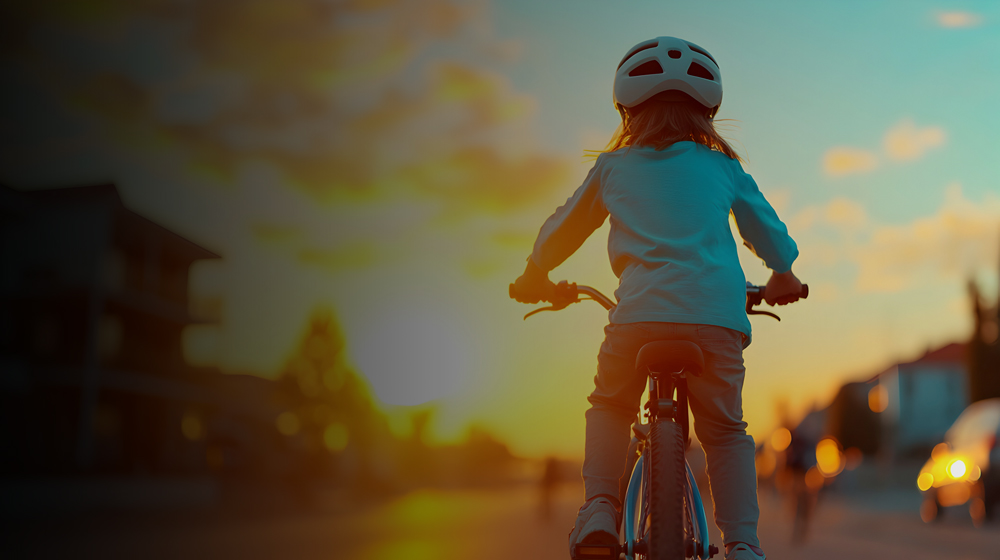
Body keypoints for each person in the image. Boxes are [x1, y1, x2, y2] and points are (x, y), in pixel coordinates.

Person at [509, 36, 803, 560]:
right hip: (717, 321)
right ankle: (743, 545)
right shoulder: (722, 168)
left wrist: (536, 272)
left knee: (610, 403)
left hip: (637, 321)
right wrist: (781, 274)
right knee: (726, 432)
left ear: (627, 108)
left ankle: (600, 507)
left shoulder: (613, 168)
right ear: (708, 112)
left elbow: (563, 229)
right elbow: (772, 237)